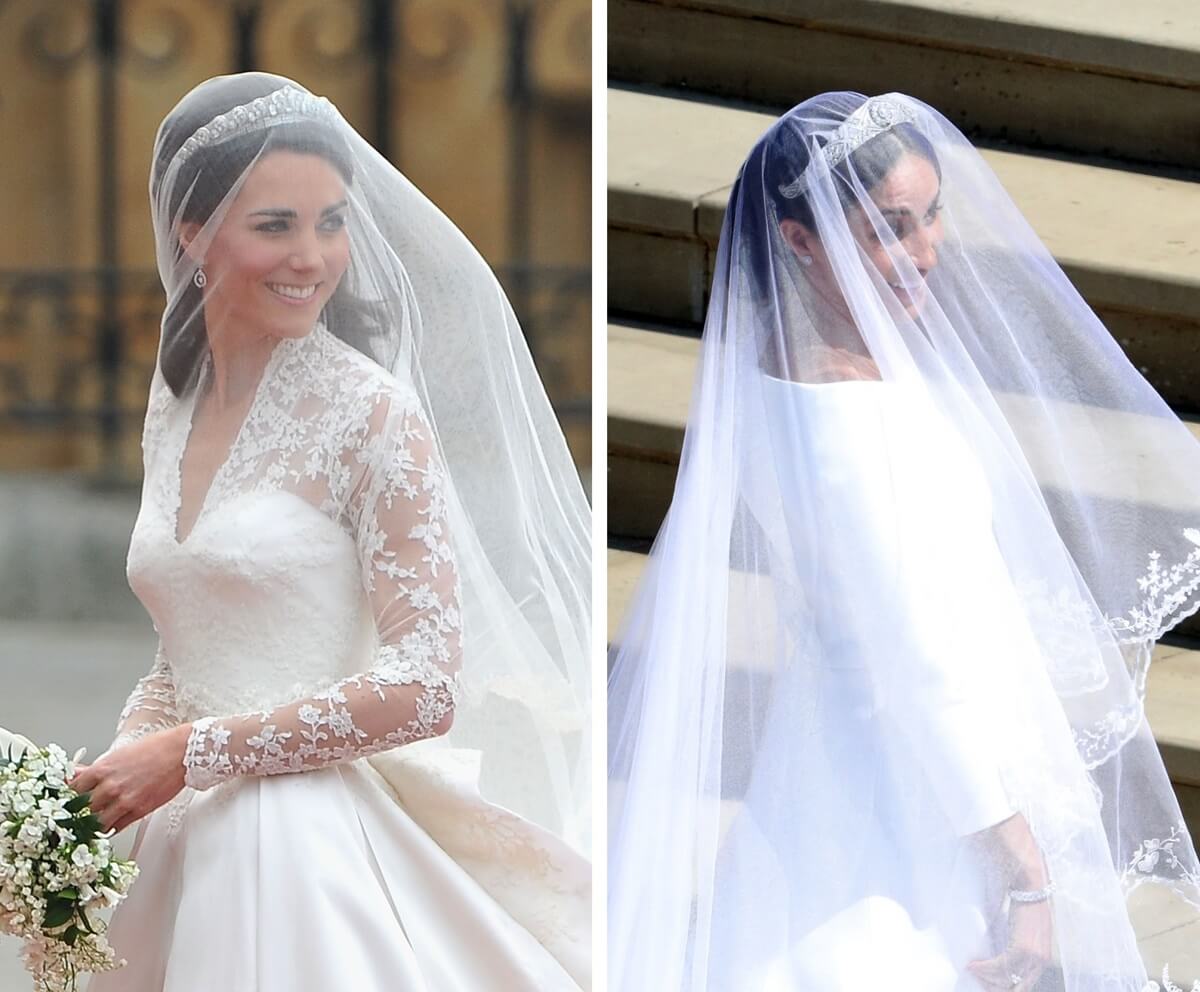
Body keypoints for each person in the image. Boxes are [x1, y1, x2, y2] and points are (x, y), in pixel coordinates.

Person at [608, 91, 1200, 991]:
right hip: (893, 797)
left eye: (930, 219)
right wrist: (1018, 861)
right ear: (802, 242)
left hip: (843, 759)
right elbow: (910, 658)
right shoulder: (841, 425)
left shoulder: (805, 357)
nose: (923, 253)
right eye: (888, 230)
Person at [68, 72, 591, 991]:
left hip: (302, 846)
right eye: (275, 224)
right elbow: (189, 642)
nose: (311, 256)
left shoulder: (373, 415)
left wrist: (189, 754)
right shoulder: (177, 402)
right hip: (174, 838)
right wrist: (114, 774)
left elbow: (426, 684)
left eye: (331, 221)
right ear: (191, 232)